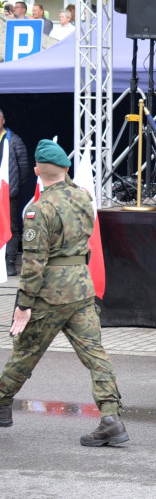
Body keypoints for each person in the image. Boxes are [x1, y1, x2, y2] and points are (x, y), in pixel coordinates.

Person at [0, 140, 127, 446]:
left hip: (50, 295)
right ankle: (111, 418)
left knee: (26, 352)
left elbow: (33, 263)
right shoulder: (84, 197)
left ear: (36, 172)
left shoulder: (39, 209)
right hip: (81, 289)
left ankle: (2, 403)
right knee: (95, 354)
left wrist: (24, 305)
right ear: (66, 169)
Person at [1, 109, 32, 276]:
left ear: (3, 121)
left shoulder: (14, 140)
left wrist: (13, 188)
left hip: (8, 193)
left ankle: (10, 263)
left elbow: (24, 169)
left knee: (11, 228)